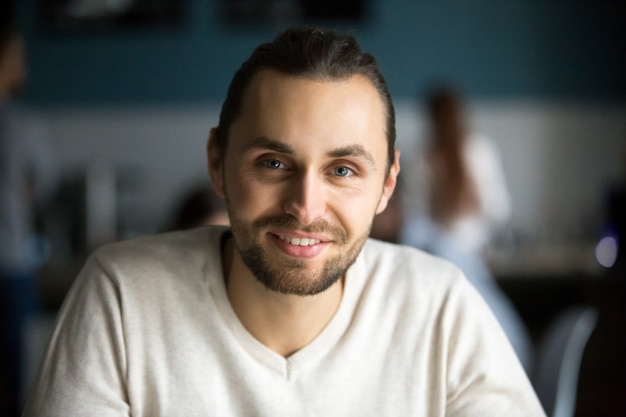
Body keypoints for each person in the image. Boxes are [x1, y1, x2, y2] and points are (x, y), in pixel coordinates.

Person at [22, 28, 545, 416]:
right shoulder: (122, 298)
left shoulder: (439, 307)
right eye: (274, 163)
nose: (305, 206)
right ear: (217, 163)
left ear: (387, 185)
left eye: (342, 170)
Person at [400, 85, 532, 371]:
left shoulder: (425, 159)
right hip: (468, 256)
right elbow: (499, 208)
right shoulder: (476, 150)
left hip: (446, 257)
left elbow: (415, 223)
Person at [0, 25, 57, 416]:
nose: (22, 64)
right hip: (9, 263)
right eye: (16, 55)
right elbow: (41, 186)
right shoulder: (21, 126)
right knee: (12, 374)